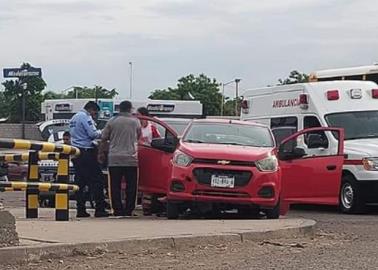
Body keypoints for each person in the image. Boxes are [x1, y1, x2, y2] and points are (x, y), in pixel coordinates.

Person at [99, 101, 141, 217]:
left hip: (114, 158)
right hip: (131, 159)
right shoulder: (135, 121)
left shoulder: (112, 121)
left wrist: (101, 153)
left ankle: (117, 210)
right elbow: (139, 136)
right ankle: (129, 210)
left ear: (120, 109)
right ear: (130, 109)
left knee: (114, 186)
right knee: (132, 186)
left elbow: (104, 138)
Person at [69, 101, 109, 218]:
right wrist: (104, 132)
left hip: (77, 152)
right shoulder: (85, 117)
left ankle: (80, 209)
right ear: (91, 110)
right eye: (94, 113)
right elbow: (92, 134)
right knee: (97, 180)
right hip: (86, 152)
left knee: (80, 182)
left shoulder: (74, 118)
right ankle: (100, 209)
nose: (94, 116)